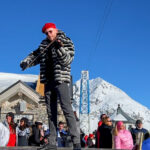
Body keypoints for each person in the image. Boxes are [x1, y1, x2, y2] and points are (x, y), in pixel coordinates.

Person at [20, 22, 80, 149]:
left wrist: (60, 48)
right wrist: (26, 62)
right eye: (46, 33)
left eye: (50, 31)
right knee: (50, 112)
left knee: (67, 109)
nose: (49, 34)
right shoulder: (44, 45)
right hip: (48, 81)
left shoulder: (66, 41)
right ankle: (52, 142)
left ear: (56, 30)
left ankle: (76, 142)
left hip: (61, 80)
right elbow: (35, 56)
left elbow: (68, 60)